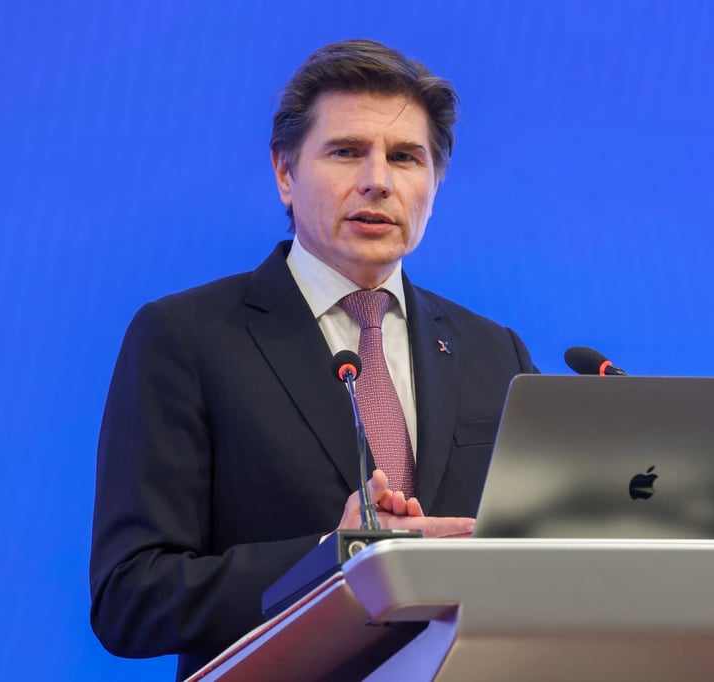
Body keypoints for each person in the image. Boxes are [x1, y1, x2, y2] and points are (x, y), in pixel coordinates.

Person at [89, 39, 536, 680]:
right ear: (284, 175)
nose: (378, 180)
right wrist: (334, 558)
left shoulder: (496, 350)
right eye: (346, 151)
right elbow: (131, 597)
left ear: (434, 183)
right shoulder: (185, 337)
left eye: (406, 157)